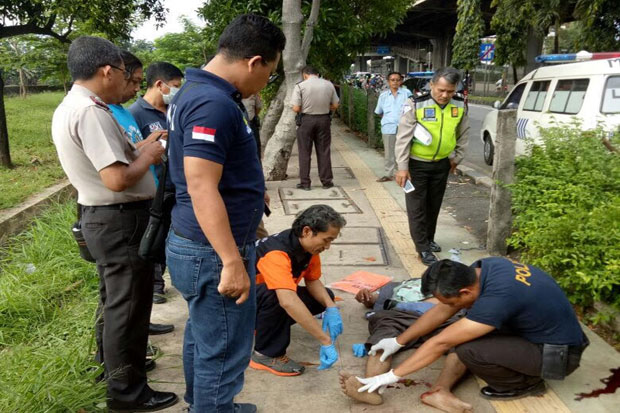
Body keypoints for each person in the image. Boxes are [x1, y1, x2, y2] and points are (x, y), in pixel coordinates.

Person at [165, 14, 285, 413]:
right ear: (254, 62)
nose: (266, 82)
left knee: (204, 337)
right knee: (225, 348)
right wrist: (232, 260)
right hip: (214, 251)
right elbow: (201, 185)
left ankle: (205, 405)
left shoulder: (200, 92)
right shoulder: (211, 103)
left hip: (207, 243)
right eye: (269, 72)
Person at [51, 36, 177, 412]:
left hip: (105, 219)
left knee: (115, 304)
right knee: (129, 310)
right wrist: (152, 153)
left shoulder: (75, 105)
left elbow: (111, 162)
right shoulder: (91, 111)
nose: (126, 80)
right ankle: (127, 393)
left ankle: (113, 373)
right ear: (107, 70)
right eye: (123, 73)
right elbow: (117, 179)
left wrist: (140, 148)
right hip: (118, 220)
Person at [342, 258, 588, 413]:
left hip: (558, 355)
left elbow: (442, 341)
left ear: (464, 290)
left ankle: (525, 384)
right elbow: (444, 309)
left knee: (467, 346)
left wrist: (391, 376)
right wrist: (398, 341)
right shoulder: (485, 268)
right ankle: (439, 392)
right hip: (539, 332)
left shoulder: (496, 301)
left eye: (450, 299)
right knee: (459, 329)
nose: (444, 304)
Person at [108, 50, 175, 336]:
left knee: (143, 270)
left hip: (151, 195)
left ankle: (141, 327)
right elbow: (117, 173)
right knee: (122, 290)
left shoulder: (123, 112)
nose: (135, 88)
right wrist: (150, 154)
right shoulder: (107, 113)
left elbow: (132, 149)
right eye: (132, 81)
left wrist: (148, 145)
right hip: (122, 210)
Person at [249, 205, 345, 376]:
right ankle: (265, 354)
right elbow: (287, 300)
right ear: (307, 231)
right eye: (326, 240)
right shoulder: (276, 253)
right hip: (238, 304)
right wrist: (325, 340)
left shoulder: (306, 245)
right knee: (279, 297)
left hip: (258, 298)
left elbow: (312, 280)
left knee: (324, 297)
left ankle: (263, 325)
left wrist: (331, 307)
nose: (328, 246)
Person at [340, 278, 464, 406]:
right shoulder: (398, 286)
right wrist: (365, 296)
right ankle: (370, 390)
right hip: (402, 315)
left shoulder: (461, 289)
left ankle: (440, 391)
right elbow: (374, 301)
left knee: (463, 342)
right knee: (383, 339)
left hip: (448, 319)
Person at [394, 67, 469, 266]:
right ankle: (422, 249)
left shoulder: (459, 105)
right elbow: (403, 137)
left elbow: (463, 133)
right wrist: (402, 166)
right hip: (417, 165)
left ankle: (428, 239)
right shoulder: (416, 104)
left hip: (442, 164)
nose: (445, 95)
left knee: (433, 205)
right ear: (432, 85)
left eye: (450, 91)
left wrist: (456, 158)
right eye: (441, 90)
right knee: (417, 208)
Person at [129, 61, 184, 305]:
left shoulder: (174, 110)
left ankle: (167, 278)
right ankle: (155, 284)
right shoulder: (135, 114)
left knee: (172, 233)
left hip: (175, 182)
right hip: (152, 186)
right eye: (174, 86)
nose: (176, 91)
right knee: (154, 234)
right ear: (159, 85)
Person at [292, 65, 339, 190]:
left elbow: (296, 108)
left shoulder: (300, 86)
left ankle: (305, 183)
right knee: (324, 151)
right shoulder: (329, 85)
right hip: (324, 120)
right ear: (317, 74)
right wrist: (323, 107)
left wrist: (306, 108)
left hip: (306, 121)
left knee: (304, 152)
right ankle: (327, 181)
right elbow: (335, 105)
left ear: (305, 74)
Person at [374, 72, 412, 182]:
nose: (395, 82)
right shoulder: (383, 96)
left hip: (404, 127)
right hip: (388, 127)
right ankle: (389, 174)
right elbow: (379, 112)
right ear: (388, 81)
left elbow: (412, 110)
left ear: (401, 81)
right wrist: (388, 119)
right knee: (389, 152)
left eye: (397, 80)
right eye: (392, 80)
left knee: (404, 151)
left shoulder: (406, 93)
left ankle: (404, 172)